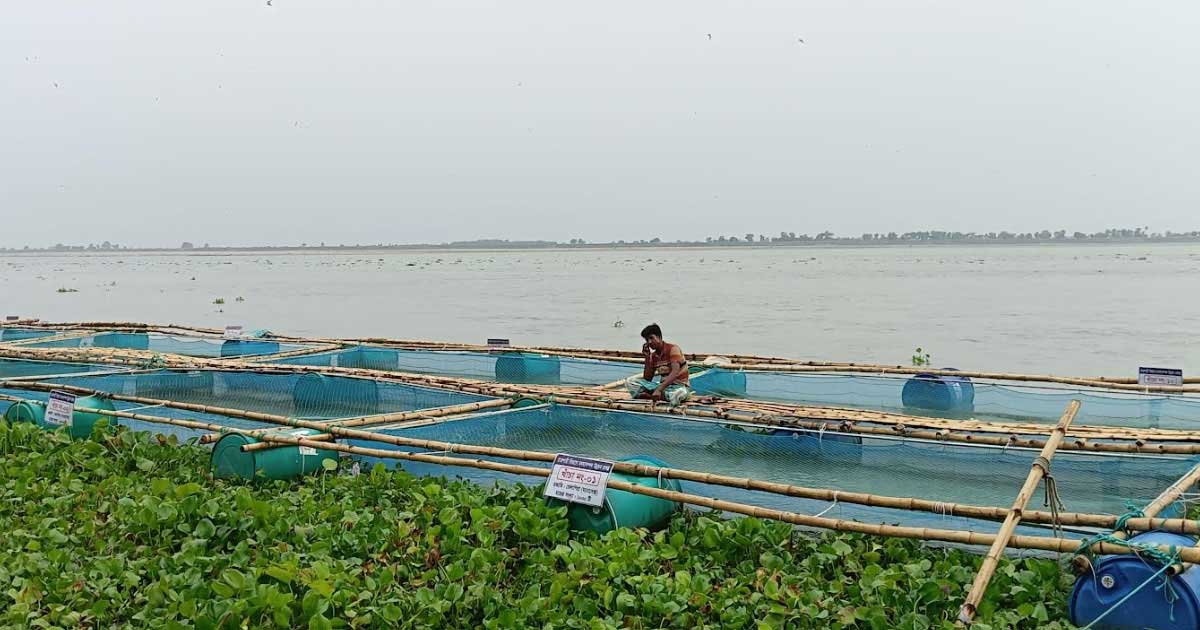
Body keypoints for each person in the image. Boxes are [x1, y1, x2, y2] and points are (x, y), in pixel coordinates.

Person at [625, 323, 692, 405]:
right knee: (630, 382)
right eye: (647, 340)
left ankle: (654, 395)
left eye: (651, 338)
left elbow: (675, 372)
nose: (649, 342)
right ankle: (660, 396)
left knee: (680, 393)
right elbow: (647, 379)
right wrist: (647, 357)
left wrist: (659, 389)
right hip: (663, 387)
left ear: (659, 337)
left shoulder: (673, 349)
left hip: (679, 387)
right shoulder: (654, 356)